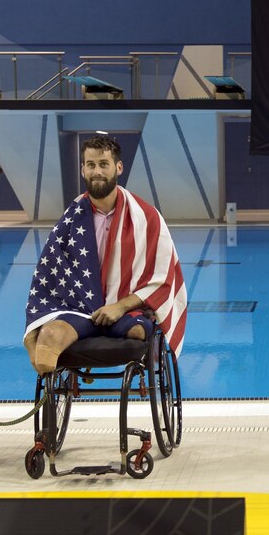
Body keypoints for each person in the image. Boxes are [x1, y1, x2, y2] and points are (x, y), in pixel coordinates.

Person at [23, 135, 187, 374]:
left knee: (139, 332)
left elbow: (161, 279)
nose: (97, 171)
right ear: (82, 169)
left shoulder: (147, 218)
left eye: (103, 164)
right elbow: (48, 274)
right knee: (48, 337)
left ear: (118, 167)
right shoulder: (70, 221)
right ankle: (48, 395)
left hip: (125, 310)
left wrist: (119, 307)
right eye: (91, 165)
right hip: (79, 307)